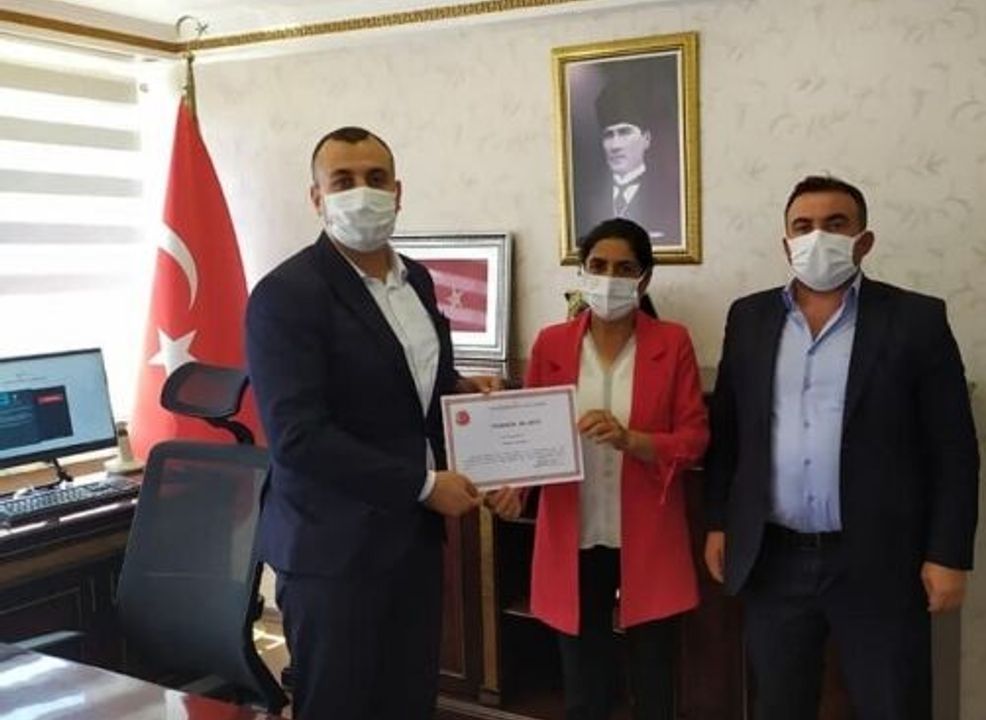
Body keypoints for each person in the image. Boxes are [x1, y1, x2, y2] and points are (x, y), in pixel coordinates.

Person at [245, 126, 520, 720]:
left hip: (410, 543)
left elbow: (405, 386)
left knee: (408, 702)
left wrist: (460, 391)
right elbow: (298, 438)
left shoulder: (415, 279)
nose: (362, 192)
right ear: (316, 198)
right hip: (332, 552)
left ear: (398, 191)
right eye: (342, 181)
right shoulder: (285, 295)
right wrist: (424, 485)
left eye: (375, 178)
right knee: (340, 707)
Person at [703, 175, 979, 720]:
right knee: (779, 706)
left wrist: (948, 554)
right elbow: (729, 433)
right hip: (774, 558)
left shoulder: (916, 319)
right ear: (787, 244)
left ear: (863, 240)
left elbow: (953, 450)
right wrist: (718, 522)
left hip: (879, 558)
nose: (817, 237)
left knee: (893, 705)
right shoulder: (749, 318)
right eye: (803, 226)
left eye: (835, 224)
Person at [521, 218, 709, 720]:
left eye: (624, 268)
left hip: (646, 535)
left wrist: (633, 440)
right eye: (598, 265)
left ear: (645, 278)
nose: (609, 278)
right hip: (573, 534)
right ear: (582, 272)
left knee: (653, 683)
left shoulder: (673, 342)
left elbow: (694, 440)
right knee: (584, 688)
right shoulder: (550, 343)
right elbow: (529, 432)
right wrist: (512, 487)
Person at [573, 77, 681, 247]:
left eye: (625, 133)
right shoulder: (585, 201)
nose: (615, 146)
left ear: (646, 139)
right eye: (608, 135)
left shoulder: (670, 195)